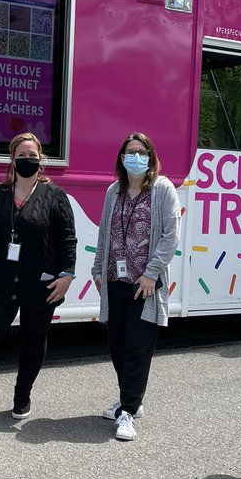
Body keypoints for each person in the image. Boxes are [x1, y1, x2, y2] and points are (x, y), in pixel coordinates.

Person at [0, 132, 76, 421]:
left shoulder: (55, 196)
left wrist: (67, 274)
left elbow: (67, 238)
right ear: (12, 160)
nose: (28, 161)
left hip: (40, 283)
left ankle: (22, 397)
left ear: (41, 160)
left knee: (33, 341)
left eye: (33, 156)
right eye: (22, 157)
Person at [91, 133, 181, 441]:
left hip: (145, 286)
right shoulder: (113, 191)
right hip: (116, 281)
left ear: (151, 157)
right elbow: (105, 233)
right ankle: (130, 398)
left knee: (138, 349)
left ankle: (128, 412)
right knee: (118, 346)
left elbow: (171, 235)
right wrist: (97, 268)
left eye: (142, 152)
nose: (136, 157)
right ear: (121, 158)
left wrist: (152, 273)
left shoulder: (162, 189)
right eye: (131, 152)